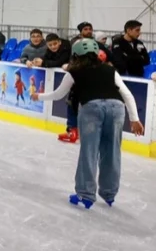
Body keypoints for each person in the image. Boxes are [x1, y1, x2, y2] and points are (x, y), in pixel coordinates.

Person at [34, 38, 143, 209]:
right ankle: (109, 194)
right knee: (112, 151)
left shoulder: (73, 71)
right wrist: (134, 119)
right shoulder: (110, 69)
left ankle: (85, 194)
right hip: (116, 108)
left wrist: (38, 96)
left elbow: (58, 94)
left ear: (76, 54)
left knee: (89, 151)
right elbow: (127, 94)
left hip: (91, 108)